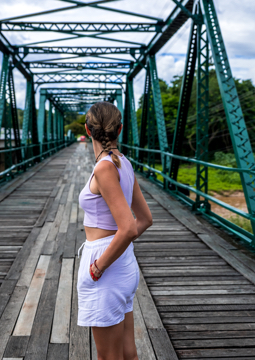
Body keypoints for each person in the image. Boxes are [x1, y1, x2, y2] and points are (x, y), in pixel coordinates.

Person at [77, 102, 153, 360]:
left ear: (87, 130)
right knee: (126, 352)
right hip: (122, 261)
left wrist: (99, 265)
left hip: (106, 264)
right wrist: (121, 250)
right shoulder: (124, 163)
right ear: (119, 129)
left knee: (108, 357)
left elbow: (130, 227)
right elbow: (145, 220)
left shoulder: (104, 167)